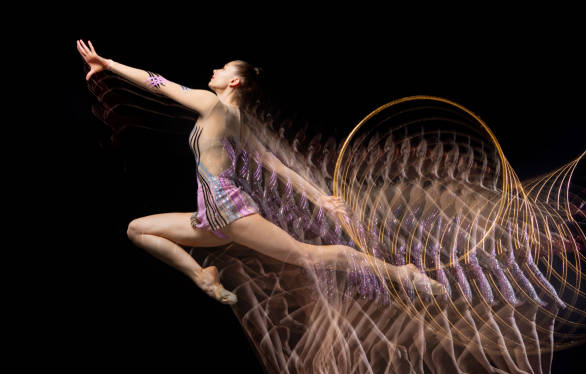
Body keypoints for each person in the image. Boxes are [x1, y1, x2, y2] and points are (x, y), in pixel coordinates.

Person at [76, 39, 446, 305]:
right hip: (210, 219)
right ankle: (203, 277)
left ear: (234, 82)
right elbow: (277, 164)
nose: (215, 71)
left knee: (309, 256)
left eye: (223, 69)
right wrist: (319, 198)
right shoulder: (236, 120)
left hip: (230, 212)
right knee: (136, 229)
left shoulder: (211, 105)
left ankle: (401, 274)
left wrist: (108, 64)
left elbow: (159, 84)